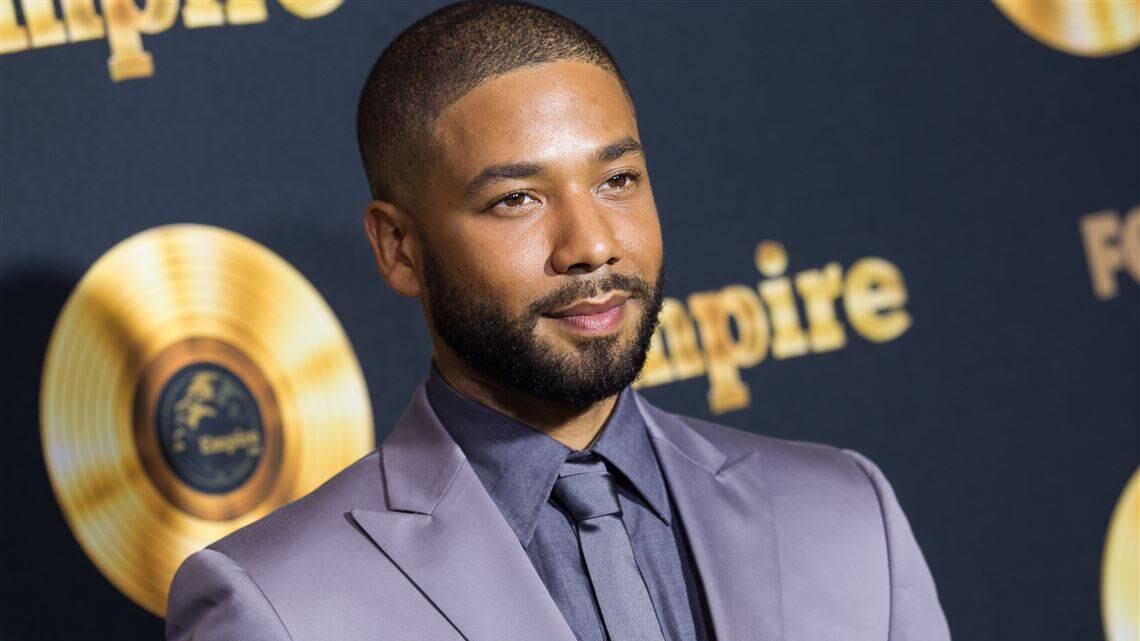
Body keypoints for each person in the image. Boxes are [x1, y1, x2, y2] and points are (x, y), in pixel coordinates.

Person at [165, 2, 952, 640]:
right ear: (399, 248)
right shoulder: (277, 604)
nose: (592, 245)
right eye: (517, 199)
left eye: (618, 180)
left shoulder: (846, 514)